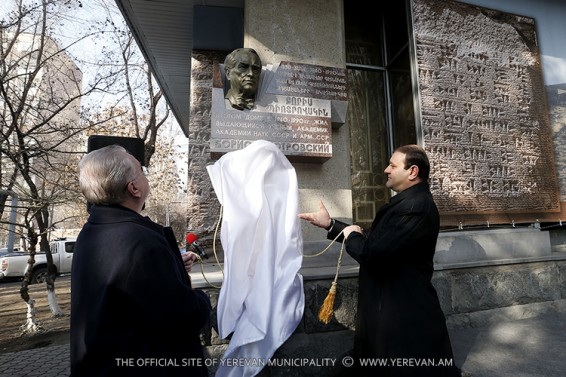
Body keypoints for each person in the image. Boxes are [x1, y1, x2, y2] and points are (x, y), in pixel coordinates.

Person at [298, 144, 461, 376]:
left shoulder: (415, 207)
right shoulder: (408, 203)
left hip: (401, 314)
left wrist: (352, 234)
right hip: (388, 310)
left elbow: (372, 253)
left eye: (393, 165)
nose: (386, 169)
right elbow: (375, 241)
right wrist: (331, 225)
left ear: (412, 172)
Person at [70, 145, 211, 377]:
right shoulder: (141, 243)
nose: (146, 176)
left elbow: (126, 286)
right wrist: (201, 298)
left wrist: (172, 266)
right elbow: (184, 316)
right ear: (134, 188)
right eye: (142, 171)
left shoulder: (94, 229)